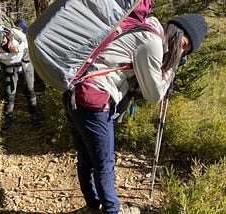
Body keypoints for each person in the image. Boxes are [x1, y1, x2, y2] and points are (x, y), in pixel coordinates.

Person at [62, 13, 208, 214]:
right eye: (183, 44)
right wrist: (172, 69)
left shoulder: (144, 28)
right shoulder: (152, 42)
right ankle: (112, 210)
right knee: (104, 163)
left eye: (185, 51)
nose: (181, 52)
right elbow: (153, 94)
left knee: (87, 158)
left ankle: (93, 206)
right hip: (93, 99)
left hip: (75, 95)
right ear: (176, 32)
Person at [0, 26, 41, 134]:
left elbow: (29, 41)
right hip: (10, 68)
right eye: (2, 41)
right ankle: (7, 120)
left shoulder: (12, 31)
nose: (5, 39)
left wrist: (18, 49)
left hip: (25, 63)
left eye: (4, 37)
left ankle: (35, 118)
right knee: (10, 94)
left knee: (30, 90)